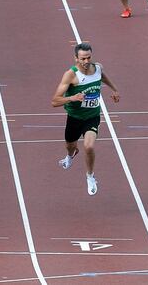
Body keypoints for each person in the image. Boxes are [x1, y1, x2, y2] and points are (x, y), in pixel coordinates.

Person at [51, 43, 120, 196]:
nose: (86, 61)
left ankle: (90, 176)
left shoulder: (97, 68)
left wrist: (114, 89)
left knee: (89, 147)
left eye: (88, 57)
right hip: (74, 118)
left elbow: (103, 76)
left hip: (92, 117)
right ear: (76, 58)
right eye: (83, 58)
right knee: (70, 146)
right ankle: (70, 155)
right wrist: (72, 98)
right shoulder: (70, 75)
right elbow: (54, 101)